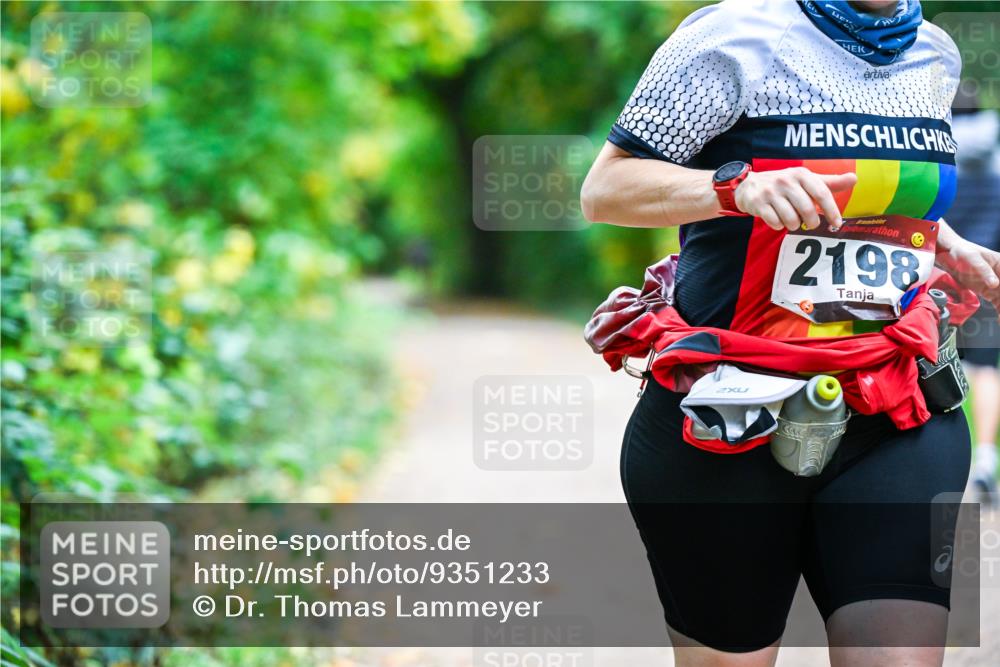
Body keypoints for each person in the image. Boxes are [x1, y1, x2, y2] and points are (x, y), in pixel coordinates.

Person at [580, 1, 1000, 666]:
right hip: (724, 416)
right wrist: (734, 188)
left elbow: (872, 187)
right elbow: (605, 189)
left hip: (894, 406)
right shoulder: (733, 34)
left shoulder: (934, 53)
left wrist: (949, 246)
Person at [947, 88, 1000, 505]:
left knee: (930, 367)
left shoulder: (937, 156)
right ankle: (983, 457)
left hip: (937, 283)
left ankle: (943, 463)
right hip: (985, 278)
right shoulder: (996, 160)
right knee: (985, 370)